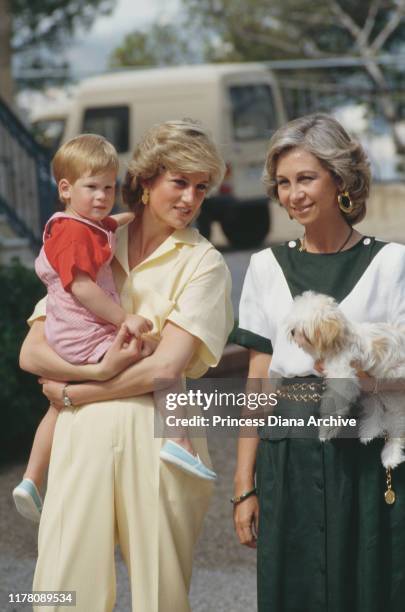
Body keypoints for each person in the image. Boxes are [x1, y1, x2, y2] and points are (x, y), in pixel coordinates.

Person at [19, 119, 233, 612]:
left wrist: (76, 391)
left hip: (161, 439)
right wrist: (93, 376)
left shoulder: (204, 264)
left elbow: (167, 366)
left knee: (160, 595)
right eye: (179, 182)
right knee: (61, 589)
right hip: (82, 436)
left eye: (201, 188)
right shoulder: (86, 237)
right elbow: (32, 352)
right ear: (147, 179)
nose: (190, 199)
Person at [233, 113, 405, 612]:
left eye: (306, 178)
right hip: (290, 454)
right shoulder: (264, 268)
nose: (293, 194)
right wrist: (244, 486)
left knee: (374, 586)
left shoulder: (394, 264)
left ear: (340, 179)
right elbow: (258, 379)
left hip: (370, 453)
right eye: (283, 183)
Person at [12, 134, 157, 522]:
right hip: (83, 332)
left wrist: (138, 217)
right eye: (91, 187)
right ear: (65, 188)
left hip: (65, 334)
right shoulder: (74, 234)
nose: (102, 196)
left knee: (55, 407)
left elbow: (112, 222)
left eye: (109, 187)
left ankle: (30, 479)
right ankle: (177, 440)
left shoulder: (83, 223)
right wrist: (123, 318)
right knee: (151, 353)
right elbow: (81, 287)